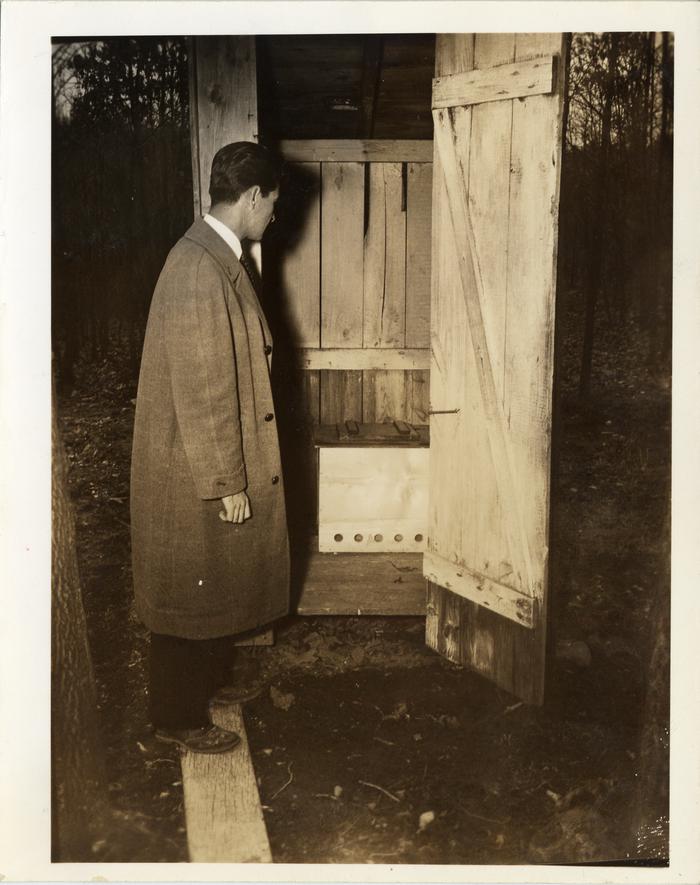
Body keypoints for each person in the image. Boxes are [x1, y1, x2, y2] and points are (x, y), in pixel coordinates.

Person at [130, 142, 289, 754]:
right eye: (272, 203)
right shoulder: (201, 269)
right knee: (186, 587)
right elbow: (204, 388)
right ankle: (173, 719)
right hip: (195, 462)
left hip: (191, 455)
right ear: (252, 198)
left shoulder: (211, 256)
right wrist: (226, 482)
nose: (274, 215)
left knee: (209, 577)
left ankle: (209, 685)